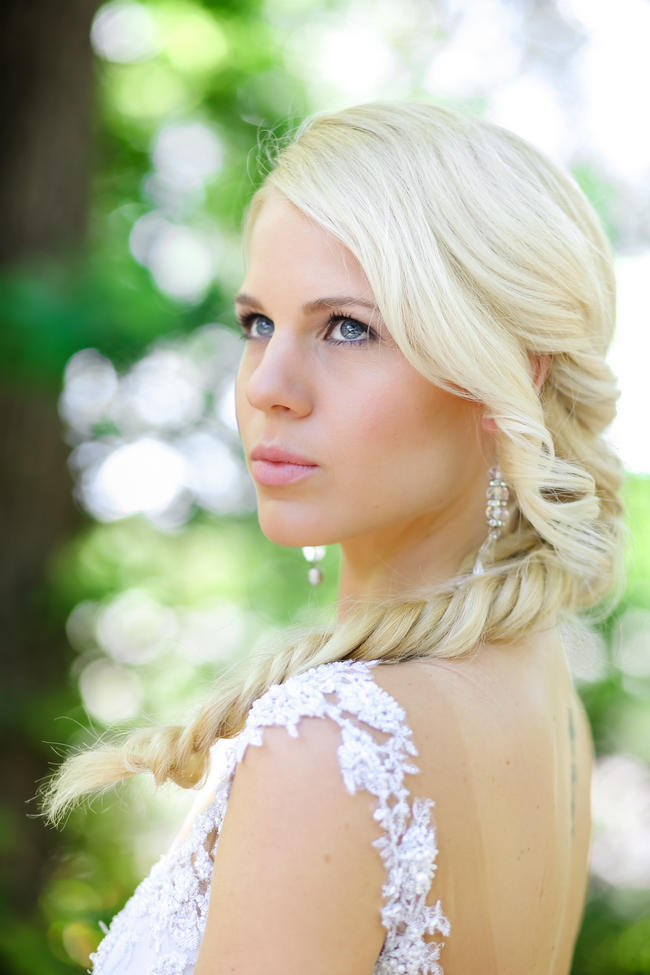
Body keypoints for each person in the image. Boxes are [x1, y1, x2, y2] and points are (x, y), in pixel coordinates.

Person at [40, 100, 626, 974]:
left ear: (507, 374)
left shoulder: (327, 745)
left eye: (348, 327)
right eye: (256, 323)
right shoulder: (547, 694)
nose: (268, 385)